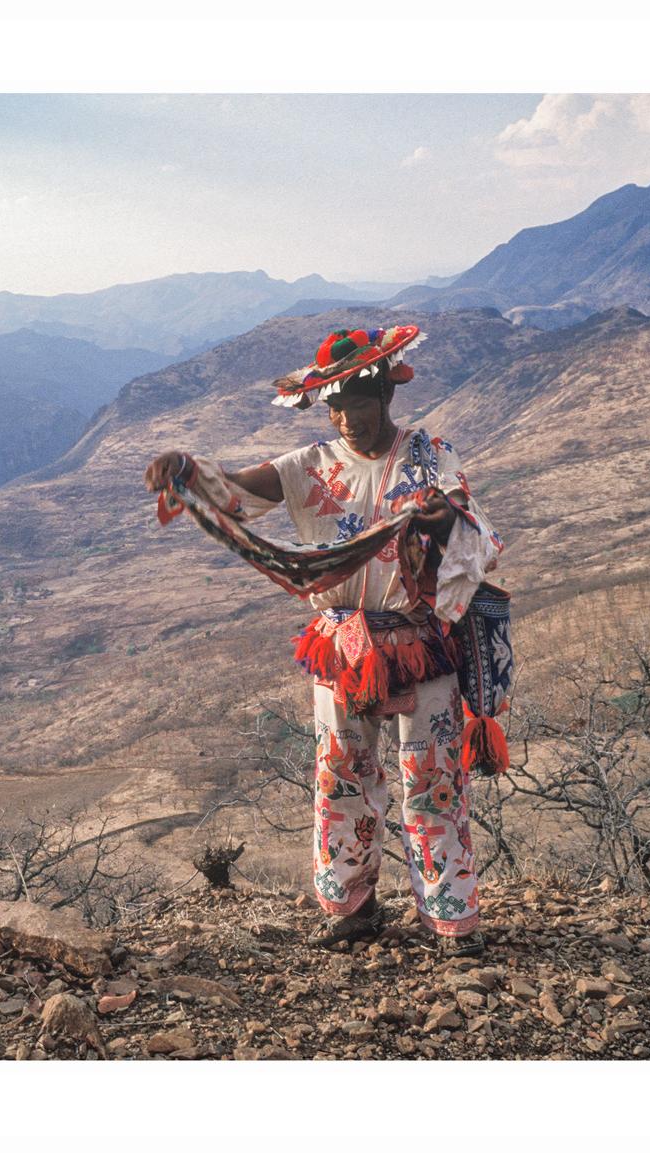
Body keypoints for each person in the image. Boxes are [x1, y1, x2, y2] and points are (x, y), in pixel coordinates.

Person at [144, 325, 504, 957]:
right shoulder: (308, 465)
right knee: (342, 775)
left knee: (433, 778)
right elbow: (235, 490)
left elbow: (469, 528)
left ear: (386, 394)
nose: (344, 418)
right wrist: (187, 470)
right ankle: (354, 906)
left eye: (356, 403)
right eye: (334, 406)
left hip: (420, 641)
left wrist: (441, 519)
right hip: (342, 644)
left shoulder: (430, 456)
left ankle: (449, 914)